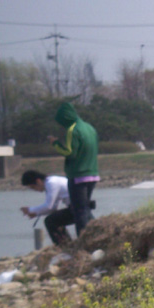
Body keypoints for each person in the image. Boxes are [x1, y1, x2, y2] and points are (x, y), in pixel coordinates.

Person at [49, 101, 99, 237]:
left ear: (65, 118)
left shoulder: (73, 129)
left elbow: (70, 153)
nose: (62, 125)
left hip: (78, 176)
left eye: (61, 122)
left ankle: (83, 241)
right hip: (93, 174)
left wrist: (56, 144)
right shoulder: (90, 128)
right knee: (86, 208)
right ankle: (95, 235)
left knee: (79, 211)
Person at [20, 170, 73, 246]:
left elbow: (49, 206)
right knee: (55, 218)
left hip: (77, 208)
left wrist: (30, 210)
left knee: (49, 221)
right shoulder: (51, 182)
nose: (35, 190)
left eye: (33, 187)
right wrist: (35, 213)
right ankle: (67, 244)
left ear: (38, 181)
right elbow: (53, 208)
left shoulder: (51, 183)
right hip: (75, 206)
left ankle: (63, 245)